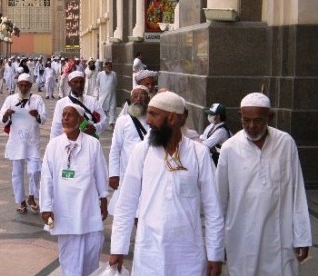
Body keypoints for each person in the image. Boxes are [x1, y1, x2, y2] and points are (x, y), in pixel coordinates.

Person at [109, 92, 224, 275]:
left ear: (171, 118)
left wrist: (215, 254)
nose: (147, 120)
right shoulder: (142, 151)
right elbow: (126, 203)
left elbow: (212, 208)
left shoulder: (198, 153)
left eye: (153, 114)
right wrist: (117, 249)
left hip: (188, 255)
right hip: (149, 253)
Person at [216, 92, 312, 276]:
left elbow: (297, 191)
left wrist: (302, 236)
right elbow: (220, 199)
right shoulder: (229, 148)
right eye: (246, 120)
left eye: (258, 120)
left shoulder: (285, 143)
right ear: (240, 116)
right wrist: (217, 247)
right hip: (243, 237)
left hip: (280, 236)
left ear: (270, 117)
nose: (252, 126)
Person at [40, 103, 108, 276]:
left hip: (88, 208)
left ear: (80, 119)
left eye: (69, 115)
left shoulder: (93, 144)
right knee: (69, 259)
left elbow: (100, 173)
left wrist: (103, 198)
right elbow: (46, 178)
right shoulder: (53, 145)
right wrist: (46, 207)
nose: (65, 118)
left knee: (91, 254)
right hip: (64, 210)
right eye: (63, 115)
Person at [0, 73, 47, 214]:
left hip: (32, 140)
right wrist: (7, 114)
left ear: (31, 86)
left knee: (35, 170)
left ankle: (32, 196)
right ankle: (21, 201)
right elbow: (1, 118)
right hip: (16, 141)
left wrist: (37, 115)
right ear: (17, 85)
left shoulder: (37, 99)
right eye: (21, 85)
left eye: (27, 85)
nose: (24, 87)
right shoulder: (10, 99)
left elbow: (43, 118)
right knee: (17, 172)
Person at [108, 85, 150, 216]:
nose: (138, 99)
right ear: (130, 99)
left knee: (145, 212)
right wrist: (113, 174)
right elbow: (115, 149)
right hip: (127, 173)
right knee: (125, 212)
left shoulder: (153, 120)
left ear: (148, 100)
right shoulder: (122, 121)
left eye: (142, 96)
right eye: (135, 96)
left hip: (149, 173)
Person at [50, 71, 106, 139]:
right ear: (69, 84)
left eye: (81, 82)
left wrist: (94, 127)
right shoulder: (61, 103)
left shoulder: (92, 101)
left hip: (89, 143)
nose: (79, 85)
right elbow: (56, 128)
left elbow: (103, 121)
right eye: (75, 82)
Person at [94, 61, 117, 127]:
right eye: (107, 67)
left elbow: (115, 83)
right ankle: (101, 122)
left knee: (112, 108)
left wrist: (111, 89)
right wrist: (97, 95)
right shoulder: (100, 74)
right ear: (104, 67)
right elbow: (97, 85)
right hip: (102, 95)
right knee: (101, 108)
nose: (108, 68)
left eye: (110, 67)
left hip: (112, 94)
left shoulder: (113, 74)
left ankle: (112, 122)